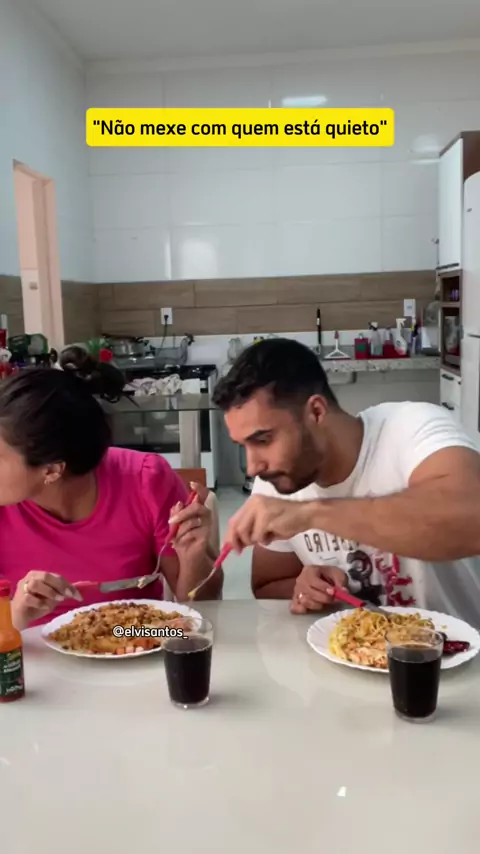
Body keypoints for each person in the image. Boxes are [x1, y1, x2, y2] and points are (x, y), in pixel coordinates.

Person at [213, 337, 480, 627]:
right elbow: (268, 585)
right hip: (359, 650)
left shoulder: (413, 427)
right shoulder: (278, 478)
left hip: (463, 647)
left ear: (316, 411)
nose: (253, 467)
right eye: (244, 446)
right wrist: (304, 587)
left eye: (263, 440)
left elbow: (471, 519)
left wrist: (311, 514)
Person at [0, 362, 222, 630]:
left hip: (135, 643)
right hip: (24, 652)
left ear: (51, 470)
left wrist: (193, 556)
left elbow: (201, 612)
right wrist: (14, 617)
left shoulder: (145, 481)